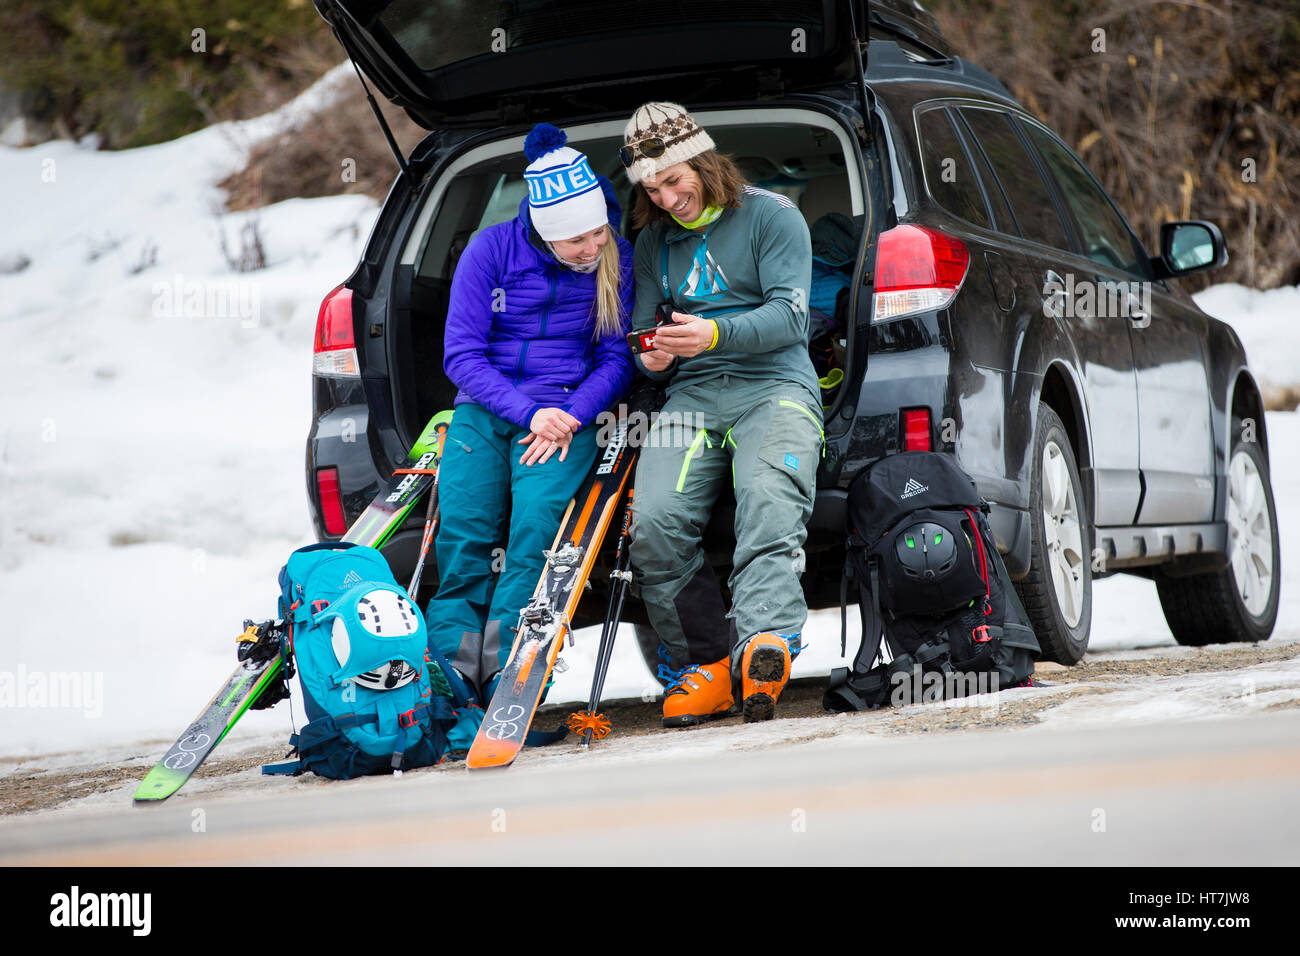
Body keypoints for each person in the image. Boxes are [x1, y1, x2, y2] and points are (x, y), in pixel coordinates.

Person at [620, 102, 823, 726]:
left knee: (767, 494)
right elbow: (644, 329)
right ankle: (702, 665)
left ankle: (764, 641)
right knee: (653, 522)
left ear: (704, 162)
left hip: (776, 385)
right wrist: (651, 355)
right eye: (652, 189)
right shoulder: (653, 240)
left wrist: (712, 334)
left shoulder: (771, 216)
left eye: (674, 181)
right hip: (693, 396)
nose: (667, 198)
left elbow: (792, 317)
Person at [427, 123, 635, 705]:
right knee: (466, 536)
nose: (593, 248)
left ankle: (507, 670)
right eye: (578, 242)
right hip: (489, 410)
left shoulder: (616, 256)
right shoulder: (489, 250)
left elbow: (618, 358)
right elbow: (461, 355)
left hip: (569, 414)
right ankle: (450, 674)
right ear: (545, 231)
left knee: (533, 532)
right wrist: (527, 412)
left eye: (599, 232)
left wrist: (568, 414)